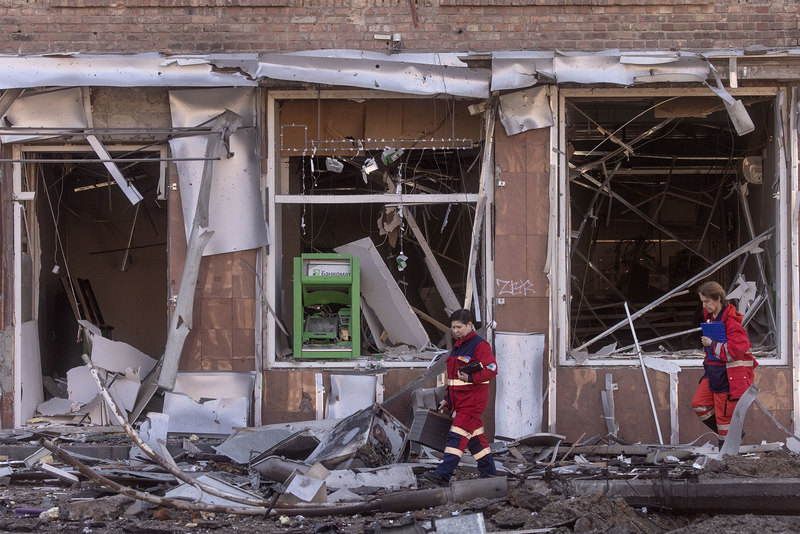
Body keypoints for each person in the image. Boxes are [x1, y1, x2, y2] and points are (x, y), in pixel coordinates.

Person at [423, 309, 498, 486]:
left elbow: (492, 370)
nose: (455, 331)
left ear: (470, 325)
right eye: (453, 327)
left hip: (472, 403)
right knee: (476, 442)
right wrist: (447, 400)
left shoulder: (480, 345)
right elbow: (453, 381)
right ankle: (490, 475)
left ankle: (443, 475)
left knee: (456, 437)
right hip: (460, 403)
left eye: (459, 327)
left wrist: (471, 378)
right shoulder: (458, 346)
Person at [691, 280, 757, 448]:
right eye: (703, 302)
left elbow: (735, 351)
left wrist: (712, 344)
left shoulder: (732, 323)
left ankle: (727, 458)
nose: (704, 306)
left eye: (707, 301)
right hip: (713, 373)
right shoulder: (711, 318)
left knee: (724, 420)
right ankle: (735, 434)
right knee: (699, 403)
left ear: (718, 298)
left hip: (727, 378)